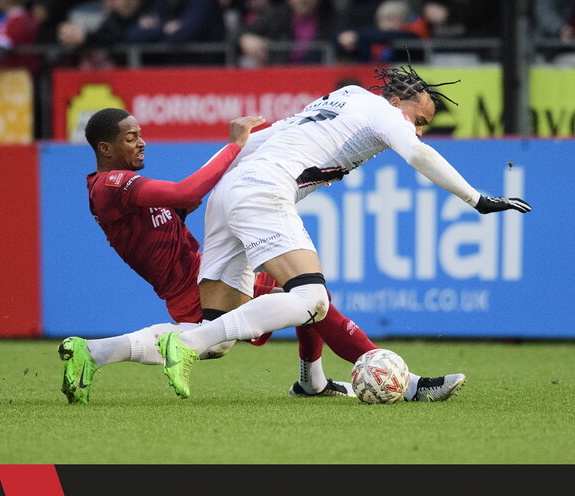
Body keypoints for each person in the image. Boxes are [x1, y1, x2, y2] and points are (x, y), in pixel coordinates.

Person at [155, 62, 532, 400]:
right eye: (420, 120)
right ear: (402, 100)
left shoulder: (345, 97)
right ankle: (410, 385)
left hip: (229, 191)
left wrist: (194, 191)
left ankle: (103, 352)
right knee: (311, 298)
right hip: (262, 190)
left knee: (219, 335)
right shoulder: (386, 115)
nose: (417, 130)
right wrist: (477, 200)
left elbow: (256, 140)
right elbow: (418, 155)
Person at [60, 107, 466, 404]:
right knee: (298, 305)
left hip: (197, 267)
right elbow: (185, 194)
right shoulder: (111, 186)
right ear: (105, 148)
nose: (142, 141)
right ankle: (395, 384)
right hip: (185, 281)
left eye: (140, 133)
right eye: (130, 138)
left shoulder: (123, 185)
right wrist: (236, 146)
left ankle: (315, 382)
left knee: (305, 298)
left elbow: (178, 209)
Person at [237, 0, 339, 67]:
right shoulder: (275, 16)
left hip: (319, 76)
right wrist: (244, 38)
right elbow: (234, 33)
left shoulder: (332, 17)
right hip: (281, 77)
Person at [124, 0, 226, 65]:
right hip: (168, 71)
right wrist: (165, 28)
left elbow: (183, 35)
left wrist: (155, 30)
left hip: (204, 70)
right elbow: (133, 35)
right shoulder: (161, 1)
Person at [336, 0, 424, 64]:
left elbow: (389, 36)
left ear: (404, 21)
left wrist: (356, 35)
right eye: (382, 19)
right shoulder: (371, 36)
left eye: (391, 19)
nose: (387, 24)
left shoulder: (411, 37)